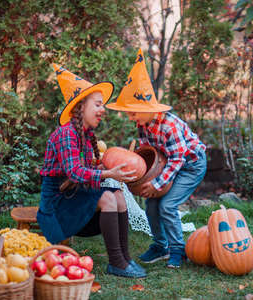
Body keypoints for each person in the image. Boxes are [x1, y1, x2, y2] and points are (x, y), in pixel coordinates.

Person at [37, 64, 146, 278]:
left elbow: (85, 174)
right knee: (107, 197)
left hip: (73, 196)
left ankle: (124, 258)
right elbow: (75, 173)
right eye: (98, 104)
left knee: (118, 196)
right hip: (57, 203)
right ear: (80, 107)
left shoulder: (85, 136)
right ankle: (116, 262)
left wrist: (107, 168)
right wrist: (107, 174)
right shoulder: (66, 133)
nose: (103, 109)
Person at [106, 49, 207, 268]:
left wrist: (158, 183)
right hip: (168, 164)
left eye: (133, 113)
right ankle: (161, 246)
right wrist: (137, 175)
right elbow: (147, 154)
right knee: (152, 204)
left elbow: (178, 160)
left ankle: (178, 251)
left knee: (168, 205)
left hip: (190, 165)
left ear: (147, 108)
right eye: (128, 113)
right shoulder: (142, 124)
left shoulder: (169, 126)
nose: (130, 117)